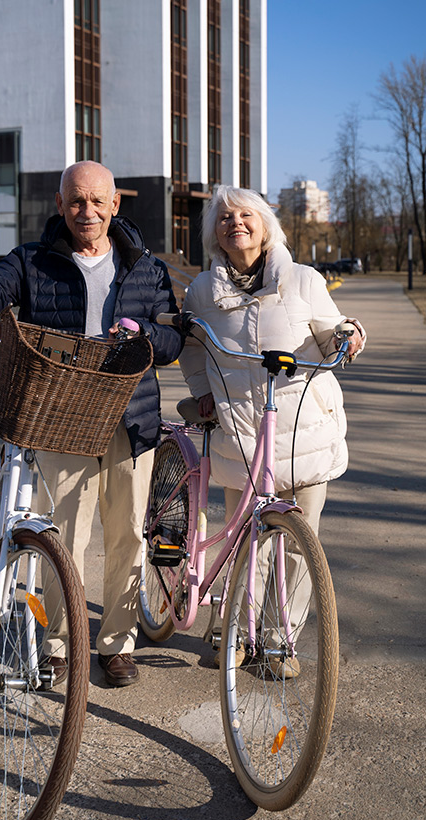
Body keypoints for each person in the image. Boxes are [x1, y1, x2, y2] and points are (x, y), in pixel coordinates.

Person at [0, 161, 182, 687]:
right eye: (76, 201)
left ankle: (117, 645)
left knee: (128, 532)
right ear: (59, 205)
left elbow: (172, 340)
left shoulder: (147, 269)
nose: (87, 211)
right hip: (61, 414)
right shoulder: (31, 261)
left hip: (131, 416)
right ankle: (60, 643)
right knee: (64, 537)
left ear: (114, 206)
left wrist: (145, 335)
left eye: (96, 201)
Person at [179, 186, 366, 677]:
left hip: (305, 430)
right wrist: (201, 390)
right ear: (213, 232)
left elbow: (332, 333)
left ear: (265, 225)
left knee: (302, 543)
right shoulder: (201, 290)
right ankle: (236, 632)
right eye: (223, 217)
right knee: (245, 542)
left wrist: (347, 337)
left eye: (245, 214)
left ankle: (281, 639)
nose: (234, 223)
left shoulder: (303, 281)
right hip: (242, 433)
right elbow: (193, 351)